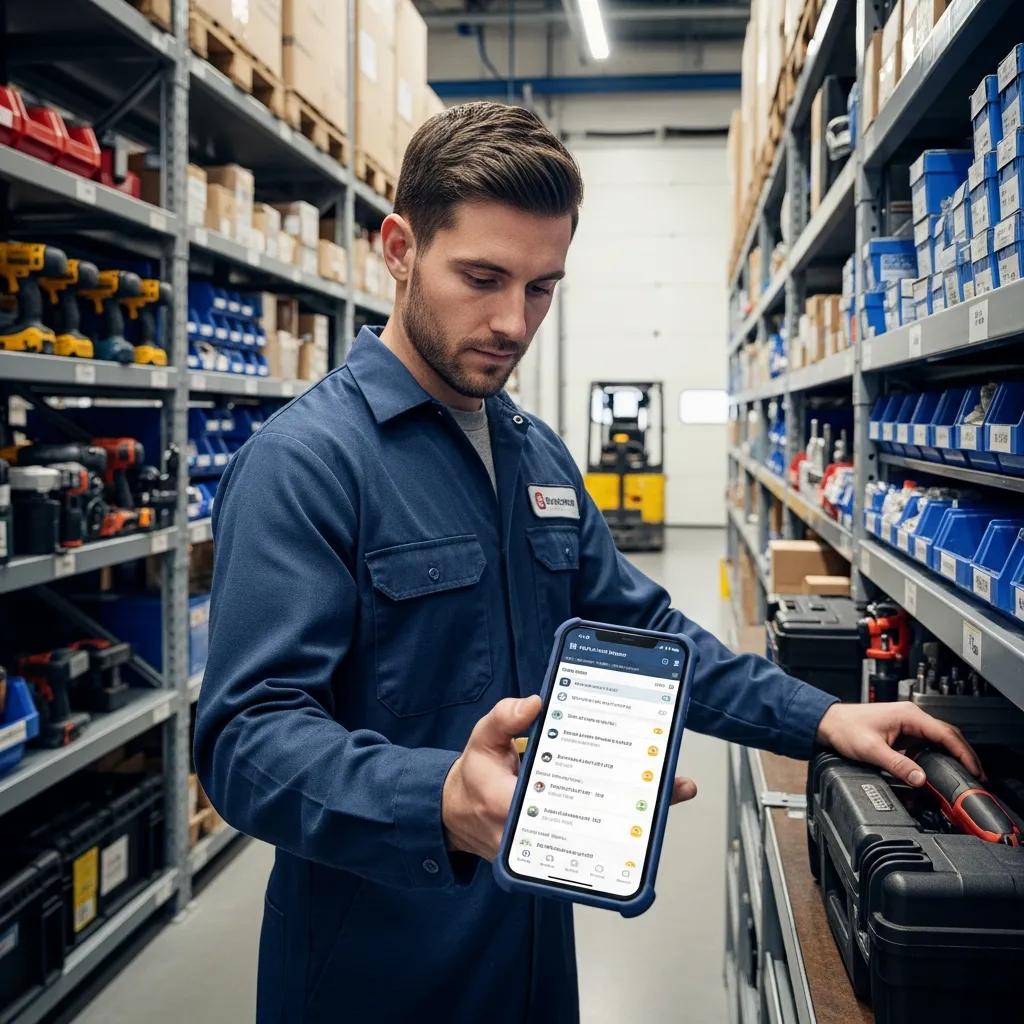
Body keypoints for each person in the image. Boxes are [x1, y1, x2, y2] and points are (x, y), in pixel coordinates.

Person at [194, 101, 982, 1024]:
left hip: (530, 944)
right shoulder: (307, 463)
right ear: (399, 248)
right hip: (376, 964)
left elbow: (642, 630)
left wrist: (822, 718)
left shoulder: (533, 454)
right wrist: (436, 797)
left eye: (541, 288)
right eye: (481, 277)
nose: (510, 321)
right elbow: (245, 739)